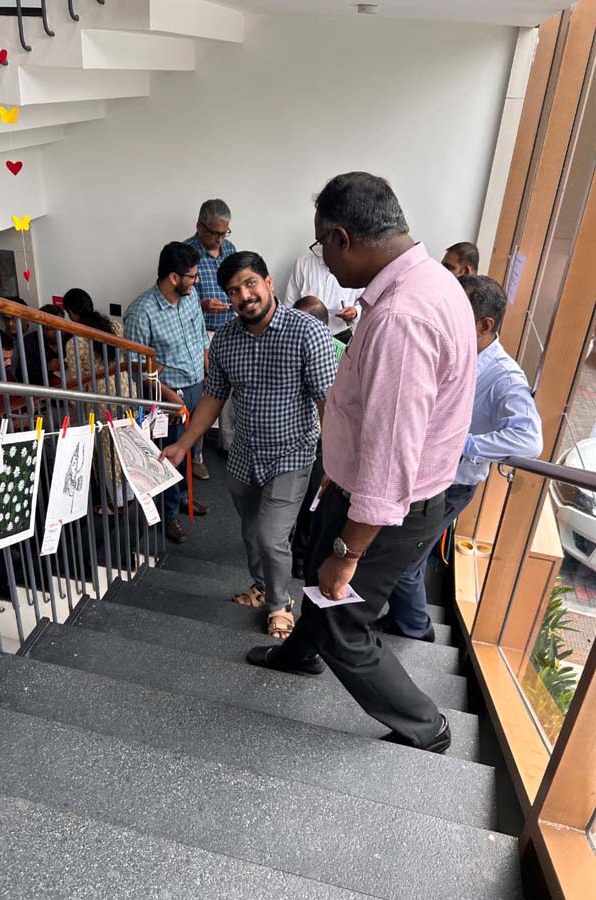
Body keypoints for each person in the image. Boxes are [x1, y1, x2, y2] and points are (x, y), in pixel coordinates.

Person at [245, 172, 477, 755]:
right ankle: (298, 655)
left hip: (386, 510)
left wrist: (348, 553)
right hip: (362, 490)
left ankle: (426, 726)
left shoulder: (403, 318)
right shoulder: (432, 281)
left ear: (341, 238)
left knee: (342, 621)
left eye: (320, 244)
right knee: (315, 580)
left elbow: (391, 457)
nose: (321, 258)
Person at [161, 251, 336, 639]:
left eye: (250, 283)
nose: (244, 295)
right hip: (243, 456)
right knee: (252, 533)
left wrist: (336, 464)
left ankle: (279, 605)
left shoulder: (308, 332)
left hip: (291, 454)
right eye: (234, 290)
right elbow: (213, 397)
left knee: (271, 536)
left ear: (268, 283)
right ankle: (262, 588)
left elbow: (328, 402)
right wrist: (184, 445)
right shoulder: (225, 339)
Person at [377, 275, 543, 642]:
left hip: (452, 484)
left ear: (485, 325)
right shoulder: (457, 352)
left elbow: (529, 439)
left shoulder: (504, 377)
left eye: (457, 313)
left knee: (406, 560)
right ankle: (404, 621)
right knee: (401, 553)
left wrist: (462, 444)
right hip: (423, 473)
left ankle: (414, 630)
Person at [124, 243, 210, 542]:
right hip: (168, 397)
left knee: (189, 448)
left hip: (197, 387)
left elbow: (201, 338)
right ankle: (168, 515)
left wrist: (208, 375)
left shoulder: (190, 296)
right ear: (174, 277)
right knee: (171, 455)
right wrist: (172, 398)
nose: (196, 281)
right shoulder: (141, 312)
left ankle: (183, 497)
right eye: (192, 276)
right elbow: (136, 368)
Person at [288, 296, 345, 579]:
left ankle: (300, 557)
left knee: (312, 499)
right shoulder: (284, 346)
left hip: (323, 438)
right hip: (291, 434)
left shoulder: (343, 354)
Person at [63, 289, 132, 509]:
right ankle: (132, 492)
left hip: (100, 399)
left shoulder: (75, 343)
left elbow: (78, 381)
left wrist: (74, 403)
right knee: (127, 443)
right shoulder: (115, 327)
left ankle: (117, 501)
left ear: (71, 313)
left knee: (107, 450)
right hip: (125, 391)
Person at [185, 199, 238, 478]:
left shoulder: (230, 249)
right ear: (199, 226)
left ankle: (229, 445)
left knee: (230, 390)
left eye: (224, 233)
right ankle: (196, 455)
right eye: (214, 233)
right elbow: (178, 300)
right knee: (203, 394)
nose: (219, 239)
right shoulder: (187, 252)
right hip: (200, 333)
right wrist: (202, 305)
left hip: (229, 330)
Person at [284, 250, 361, 341]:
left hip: (340, 338)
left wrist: (355, 312)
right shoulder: (303, 263)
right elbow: (289, 305)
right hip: (305, 335)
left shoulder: (357, 268)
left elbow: (365, 304)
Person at [18, 303, 67, 387]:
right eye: (51, 328)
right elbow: (21, 376)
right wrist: (46, 367)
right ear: (41, 328)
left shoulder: (70, 339)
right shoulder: (30, 342)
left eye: (61, 326)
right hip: (42, 392)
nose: (58, 331)